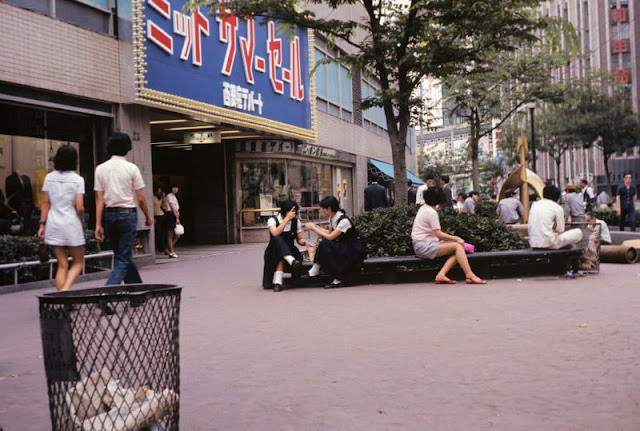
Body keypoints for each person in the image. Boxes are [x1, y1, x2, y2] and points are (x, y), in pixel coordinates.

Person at [94, 132, 153, 285]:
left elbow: (100, 199)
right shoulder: (131, 168)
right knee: (123, 258)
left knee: (122, 256)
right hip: (127, 215)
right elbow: (140, 197)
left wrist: (98, 224)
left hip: (109, 215)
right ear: (127, 148)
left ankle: (137, 292)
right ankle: (106, 293)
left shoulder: (100, 169)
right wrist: (148, 216)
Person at [411, 187, 486, 285]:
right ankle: (469, 274)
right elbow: (439, 234)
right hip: (424, 246)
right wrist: (456, 238)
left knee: (459, 249)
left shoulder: (424, 208)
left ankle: (441, 275)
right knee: (458, 246)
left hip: (422, 244)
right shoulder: (431, 212)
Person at [37, 146, 85, 291]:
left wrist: (42, 225)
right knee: (78, 263)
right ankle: (65, 292)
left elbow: (45, 204)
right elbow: (80, 207)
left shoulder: (49, 177)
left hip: (53, 223)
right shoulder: (78, 179)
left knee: (62, 264)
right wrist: (81, 220)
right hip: (71, 224)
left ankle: (61, 300)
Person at [304, 196, 364, 288]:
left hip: (352, 250)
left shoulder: (344, 221)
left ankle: (323, 272)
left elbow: (330, 237)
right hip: (343, 246)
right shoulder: (332, 218)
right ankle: (319, 270)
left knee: (325, 244)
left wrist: (313, 228)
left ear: (329, 208)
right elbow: (328, 232)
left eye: (323, 209)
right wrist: (314, 226)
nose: (322, 211)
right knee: (324, 244)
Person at [262, 199, 308, 292]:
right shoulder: (272, 220)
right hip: (273, 252)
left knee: (282, 256)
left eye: (295, 211)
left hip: (290, 250)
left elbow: (299, 239)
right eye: (291, 211)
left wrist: (304, 242)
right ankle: (290, 260)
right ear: (284, 211)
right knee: (277, 238)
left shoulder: (296, 222)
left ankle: (278, 283)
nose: (293, 213)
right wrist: (286, 219)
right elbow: (275, 233)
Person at [528, 185, 583, 250]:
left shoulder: (535, 205)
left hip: (533, 243)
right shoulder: (557, 207)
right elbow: (560, 230)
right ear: (557, 197)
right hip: (549, 244)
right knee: (578, 232)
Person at [163, 185, 181, 258]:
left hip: (174, 215)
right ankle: (171, 251)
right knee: (170, 234)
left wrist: (177, 216)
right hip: (170, 215)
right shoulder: (169, 195)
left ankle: (169, 249)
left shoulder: (174, 196)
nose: (175, 189)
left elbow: (176, 208)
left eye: (177, 188)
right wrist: (177, 217)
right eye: (174, 187)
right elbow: (171, 206)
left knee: (177, 234)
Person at [153, 186, 167, 253]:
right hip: (155, 216)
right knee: (157, 232)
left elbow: (164, 206)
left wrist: (164, 197)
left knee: (161, 232)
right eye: (158, 190)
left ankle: (163, 248)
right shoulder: (152, 197)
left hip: (161, 215)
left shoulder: (160, 197)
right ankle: (159, 247)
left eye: (160, 190)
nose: (159, 191)